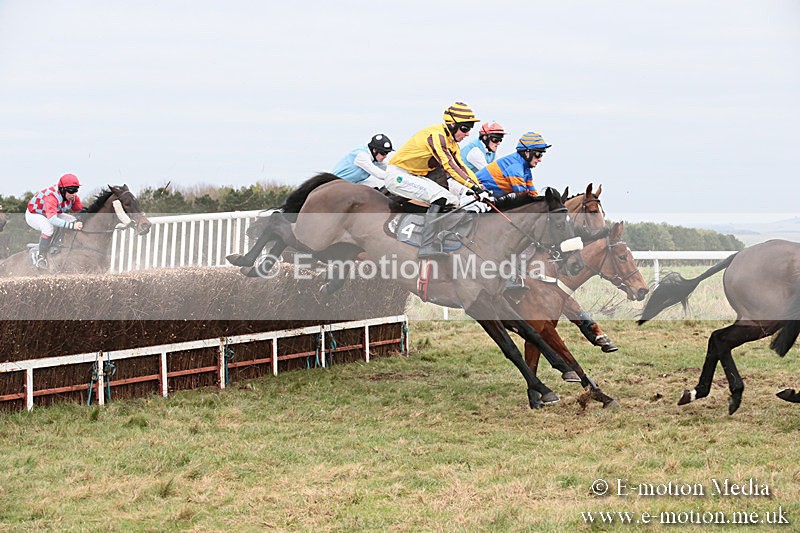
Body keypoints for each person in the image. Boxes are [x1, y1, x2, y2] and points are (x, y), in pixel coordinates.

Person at [386, 102, 491, 258]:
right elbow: (448, 166)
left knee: (452, 199)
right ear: (452, 124)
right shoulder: (436, 136)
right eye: (465, 128)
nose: (468, 134)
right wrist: (473, 188)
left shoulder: (452, 143)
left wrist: (478, 187)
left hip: (415, 176)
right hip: (398, 175)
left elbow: (461, 167)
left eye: (470, 129)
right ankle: (425, 246)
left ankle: (434, 234)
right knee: (440, 197)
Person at [26, 173, 85, 268]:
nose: (74, 194)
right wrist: (72, 226)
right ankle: (41, 257)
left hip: (51, 213)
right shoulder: (51, 197)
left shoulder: (72, 197)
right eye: (71, 191)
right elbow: (52, 219)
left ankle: (60, 245)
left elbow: (80, 210)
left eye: (76, 190)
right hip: (34, 214)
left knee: (73, 220)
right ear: (62, 190)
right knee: (48, 228)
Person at [476, 131, 550, 198]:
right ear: (526, 152)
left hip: (486, 196)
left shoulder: (526, 169)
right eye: (537, 154)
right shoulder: (516, 167)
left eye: (541, 155)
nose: (540, 159)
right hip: (473, 193)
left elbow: (533, 194)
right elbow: (523, 196)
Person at [451, 121, 507, 206]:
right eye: (495, 139)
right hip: (455, 183)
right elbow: (491, 174)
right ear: (485, 138)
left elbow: (501, 170)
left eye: (500, 140)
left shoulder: (492, 151)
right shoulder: (475, 152)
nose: (498, 143)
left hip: (469, 183)